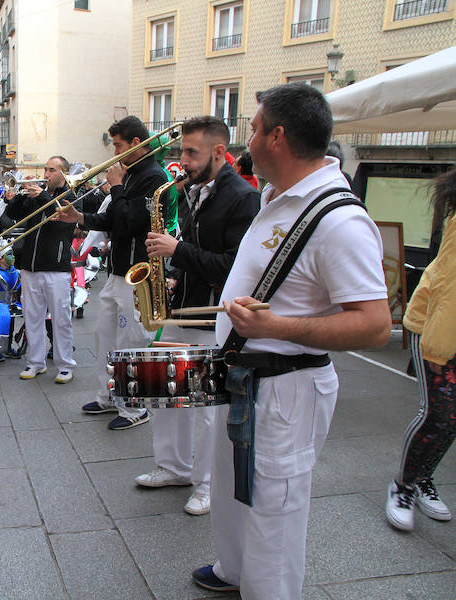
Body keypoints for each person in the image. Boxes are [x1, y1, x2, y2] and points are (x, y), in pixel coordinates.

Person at [190, 83, 390, 598]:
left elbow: (374, 324)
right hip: (243, 377)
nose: (247, 139)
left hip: (284, 392)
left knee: (273, 517)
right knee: (236, 491)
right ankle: (235, 571)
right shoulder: (275, 195)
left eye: (253, 128)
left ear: (277, 136)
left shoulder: (340, 221)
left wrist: (275, 327)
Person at [141, 116, 260, 516]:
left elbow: (232, 265)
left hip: (214, 317)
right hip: (183, 308)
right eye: (183, 151)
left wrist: (177, 252)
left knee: (210, 411)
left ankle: (207, 483)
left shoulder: (243, 199)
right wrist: (173, 275)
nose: (184, 161)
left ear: (219, 152)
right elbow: (194, 250)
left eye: (192, 152)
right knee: (164, 390)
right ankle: (173, 466)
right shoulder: (194, 190)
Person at [56, 116, 168, 429]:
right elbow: (113, 219)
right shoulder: (130, 175)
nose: (114, 152)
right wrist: (78, 217)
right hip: (117, 271)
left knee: (130, 342)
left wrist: (117, 186)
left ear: (136, 143)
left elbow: (131, 221)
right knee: (104, 335)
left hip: (137, 272)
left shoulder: (153, 176)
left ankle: (135, 408)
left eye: (118, 146)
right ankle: (109, 397)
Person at [385, 167, 456, 531]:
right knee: (439, 414)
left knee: (453, 420)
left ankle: (423, 477)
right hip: (437, 325)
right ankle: (403, 485)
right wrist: (438, 346)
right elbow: (449, 283)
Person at [6, 156, 77, 384]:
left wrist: (44, 197)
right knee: (32, 317)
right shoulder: (37, 196)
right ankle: (35, 362)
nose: (46, 174)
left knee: (60, 318)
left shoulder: (71, 196)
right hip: (30, 266)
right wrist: (19, 193)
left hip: (56, 268)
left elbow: (61, 223)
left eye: (51, 170)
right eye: (45, 169)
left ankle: (65, 365)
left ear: (64, 173)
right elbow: (14, 215)